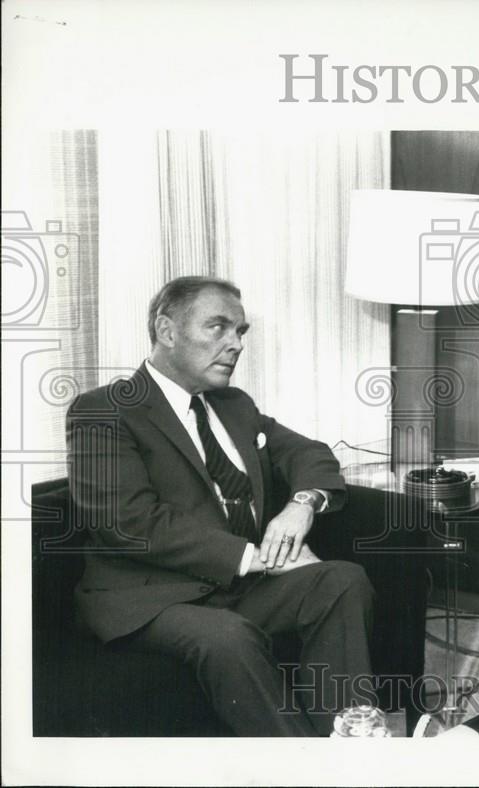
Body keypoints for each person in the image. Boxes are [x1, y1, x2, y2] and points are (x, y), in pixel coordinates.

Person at [67, 276, 374, 736]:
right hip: (152, 598)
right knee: (227, 637)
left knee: (341, 580)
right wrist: (260, 560)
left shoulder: (232, 405)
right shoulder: (104, 411)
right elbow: (129, 522)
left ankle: (350, 739)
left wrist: (302, 505)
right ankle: (309, 770)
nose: (235, 345)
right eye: (218, 327)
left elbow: (309, 453)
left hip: (232, 590)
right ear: (167, 331)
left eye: (240, 332)